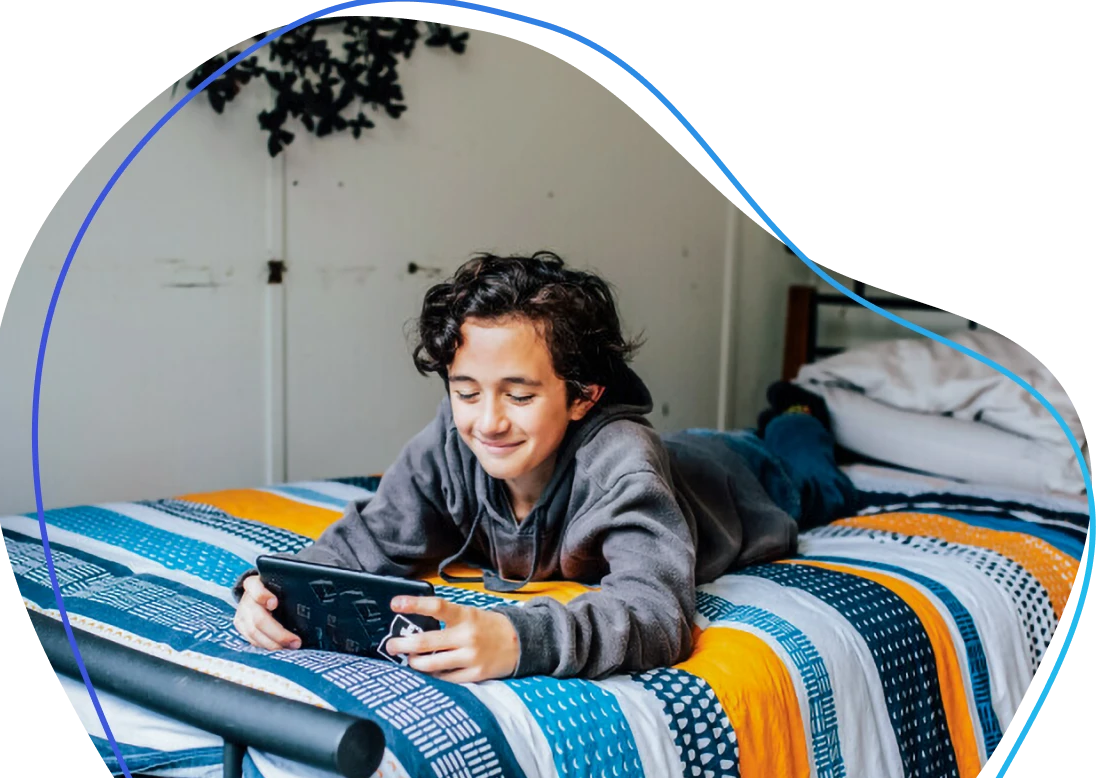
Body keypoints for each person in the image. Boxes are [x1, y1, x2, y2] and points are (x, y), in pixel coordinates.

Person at [233, 252, 857, 682]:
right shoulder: (454, 439)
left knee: (820, 483)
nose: (488, 422)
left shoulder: (622, 466)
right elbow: (365, 541)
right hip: (681, 453)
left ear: (583, 395)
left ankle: (799, 410)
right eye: (466, 390)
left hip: (741, 477)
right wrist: (269, 590)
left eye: (521, 395)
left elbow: (658, 618)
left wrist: (516, 640)